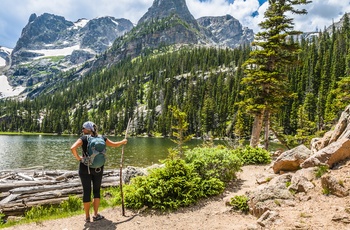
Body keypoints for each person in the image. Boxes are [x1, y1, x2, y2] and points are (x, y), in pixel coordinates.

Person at [70, 121, 128, 223]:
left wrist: (79, 158)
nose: (82, 130)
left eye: (83, 128)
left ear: (88, 130)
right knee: (96, 191)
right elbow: (114, 145)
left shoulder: (84, 138)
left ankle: (87, 217)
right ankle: (96, 215)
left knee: (86, 192)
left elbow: (72, 148)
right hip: (98, 169)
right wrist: (123, 141)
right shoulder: (102, 138)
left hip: (85, 168)